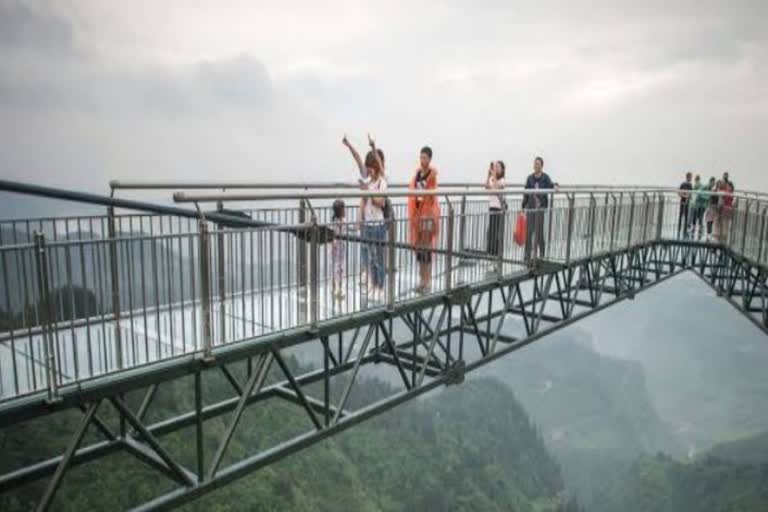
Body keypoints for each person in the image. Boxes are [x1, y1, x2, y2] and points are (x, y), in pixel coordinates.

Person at [342, 134, 387, 286]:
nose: (368, 170)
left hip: (378, 224)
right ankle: (372, 282)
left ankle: (379, 286)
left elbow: (380, 202)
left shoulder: (382, 180)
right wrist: (348, 145)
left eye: (371, 167)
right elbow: (358, 159)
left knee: (378, 257)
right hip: (367, 223)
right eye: (368, 168)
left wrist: (368, 192)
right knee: (367, 254)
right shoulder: (367, 177)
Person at [408, 146, 440, 293]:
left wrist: (430, 215)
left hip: (427, 215)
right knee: (420, 250)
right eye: (421, 157)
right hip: (417, 214)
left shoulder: (432, 175)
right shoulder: (417, 174)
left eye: (425, 157)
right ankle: (421, 281)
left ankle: (427, 282)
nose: (422, 160)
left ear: (430, 159)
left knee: (426, 250)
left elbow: (432, 198)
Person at [522, 156, 554, 267]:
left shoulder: (545, 178)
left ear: (542, 166)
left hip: (540, 208)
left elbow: (551, 186)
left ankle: (542, 254)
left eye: (538, 164)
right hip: (530, 208)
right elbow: (526, 192)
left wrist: (556, 185)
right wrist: (523, 206)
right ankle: (527, 254)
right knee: (529, 232)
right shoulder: (529, 178)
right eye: (535, 164)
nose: (536, 166)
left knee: (539, 231)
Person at [485, 160, 506, 272]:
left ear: (502, 170)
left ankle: (496, 260)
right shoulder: (493, 178)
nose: (496, 168)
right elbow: (486, 187)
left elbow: (495, 188)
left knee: (495, 235)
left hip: (499, 208)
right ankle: (492, 259)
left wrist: (492, 175)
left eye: (498, 167)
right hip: (492, 207)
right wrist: (488, 174)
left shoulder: (502, 181)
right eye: (495, 167)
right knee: (491, 234)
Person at [331, 199, 346, 300]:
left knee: (334, 264)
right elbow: (347, 228)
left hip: (332, 244)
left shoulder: (333, 220)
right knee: (339, 266)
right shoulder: (342, 220)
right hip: (339, 245)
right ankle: (338, 286)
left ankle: (333, 284)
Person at [690, 174, 708, 240]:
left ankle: (695, 228)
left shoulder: (696, 185)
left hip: (696, 205)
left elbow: (694, 194)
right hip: (700, 205)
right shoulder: (701, 185)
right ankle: (700, 228)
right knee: (700, 217)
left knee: (696, 216)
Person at [677, 172, 693, 238]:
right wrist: (686, 197)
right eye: (690, 177)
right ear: (688, 177)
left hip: (684, 201)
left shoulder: (684, 184)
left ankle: (680, 229)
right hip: (685, 201)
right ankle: (682, 229)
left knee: (683, 215)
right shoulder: (688, 185)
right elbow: (690, 193)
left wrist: (683, 196)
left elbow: (679, 192)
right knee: (684, 215)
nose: (691, 178)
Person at [705, 177, 719, 241]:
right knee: (710, 222)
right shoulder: (713, 191)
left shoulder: (716, 191)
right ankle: (709, 235)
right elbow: (710, 198)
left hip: (714, 208)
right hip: (712, 208)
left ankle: (710, 235)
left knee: (712, 222)